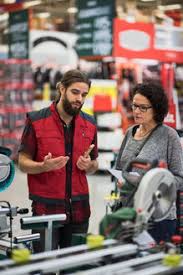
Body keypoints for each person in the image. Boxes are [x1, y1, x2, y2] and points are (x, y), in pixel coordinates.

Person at [18, 69, 98, 252]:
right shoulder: (37, 120)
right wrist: (42, 166)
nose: (80, 99)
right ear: (62, 89)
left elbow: (95, 164)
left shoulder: (90, 124)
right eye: (75, 92)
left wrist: (89, 165)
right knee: (43, 265)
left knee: (73, 266)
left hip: (79, 210)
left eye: (84, 94)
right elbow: (23, 162)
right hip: (46, 209)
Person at [115, 81, 183, 243]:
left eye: (143, 108)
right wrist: (120, 180)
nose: (136, 111)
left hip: (158, 217)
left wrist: (149, 183)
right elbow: (119, 168)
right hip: (128, 214)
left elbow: (179, 178)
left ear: (156, 108)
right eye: (134, 106)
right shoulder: (130, 133)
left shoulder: (169, 136)